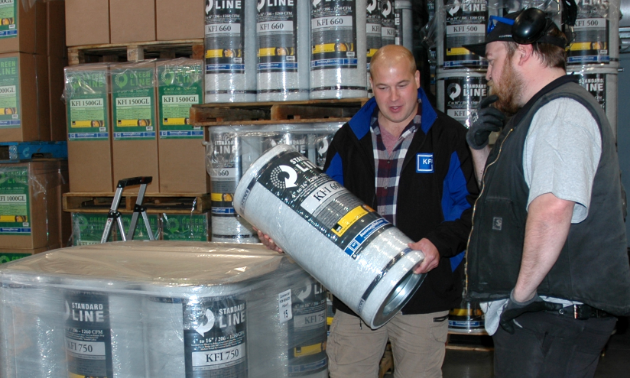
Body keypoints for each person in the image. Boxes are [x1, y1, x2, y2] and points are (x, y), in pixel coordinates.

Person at [257, 44, 479, 378]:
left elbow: (469, 211)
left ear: (417, 80)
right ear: (370, 85)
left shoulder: (448, 138)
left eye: (402, 85)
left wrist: (438, 244)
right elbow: (318, 210)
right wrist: (283, 234)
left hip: (422, 292)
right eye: (383, 87)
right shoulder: (349, 140)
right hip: (355, 296)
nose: (393, 97)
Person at [464, 8, 630, 377]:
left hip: (551, 318)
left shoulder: (562, 114)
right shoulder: (534, 115)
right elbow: (505, 204)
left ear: (522, 53)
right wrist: (480, 150)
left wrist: (519, 297)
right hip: (543, 318)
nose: (488, 75)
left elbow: (554, 208)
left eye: (492, 62)